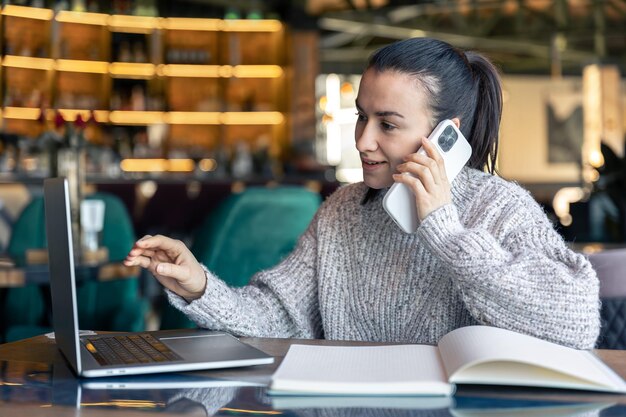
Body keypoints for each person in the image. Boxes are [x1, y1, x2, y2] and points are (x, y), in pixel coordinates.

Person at [125, 37, 600, 350]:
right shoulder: (342, 211)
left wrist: (444, 229)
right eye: (361, 116)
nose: (362, 140)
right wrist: (201, 287)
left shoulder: (499, 207)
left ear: (445, 135)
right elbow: (280, 318)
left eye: (388, 124)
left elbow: (576, 323)